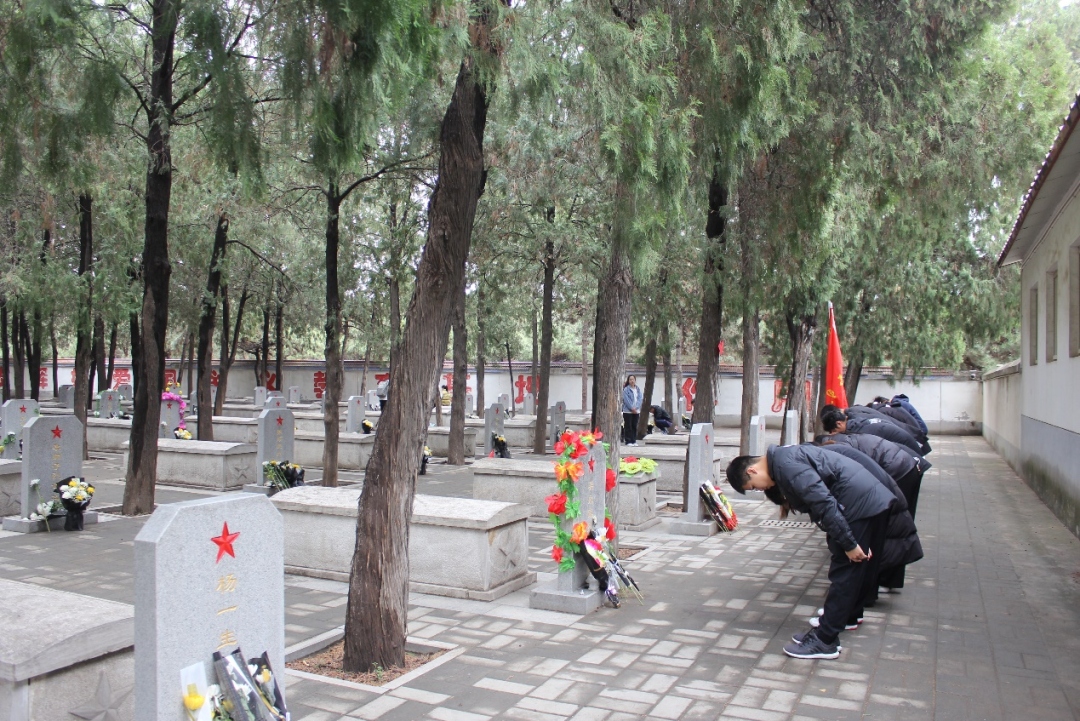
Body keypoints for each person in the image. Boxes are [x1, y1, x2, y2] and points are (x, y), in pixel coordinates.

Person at [726, 445, 896, 660]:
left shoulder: (787, 466)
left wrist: (849, 544)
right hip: (864, 498)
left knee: (845, 571)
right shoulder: (783, 460)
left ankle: (825, 640)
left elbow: (823, 504)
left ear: (752, 471)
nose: (759, 490)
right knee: (855, 566)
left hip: (856, 502)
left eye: (753, 487)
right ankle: (850, 617)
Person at [813, 439, 924, 603]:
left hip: (884, 487)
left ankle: (865, 596)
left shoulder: (829, 456)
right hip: (889, 481)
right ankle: (874, 589)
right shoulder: (838, 450)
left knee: (879, 543)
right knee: (882, 540)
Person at [821, 407, 924, 456]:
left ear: (839, 423)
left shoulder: (859, 430)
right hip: (908, 444)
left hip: (908, 452)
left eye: (834, 431)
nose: (834, 434)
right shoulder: (857, 421)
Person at [622, 375, 643, 446]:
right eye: (630, 379)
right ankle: (628, 441)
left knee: (634, 425)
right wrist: (632, 408)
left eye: (633, 379)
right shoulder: (626, 389)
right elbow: (626, 400)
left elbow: (640, 399)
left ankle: (634, 440)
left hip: (636, 411)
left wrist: (636, 407)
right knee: (628, 426)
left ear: (635, 380)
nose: (632, 381)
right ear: (628, 381)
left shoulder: (638, 389)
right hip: (628, 411)